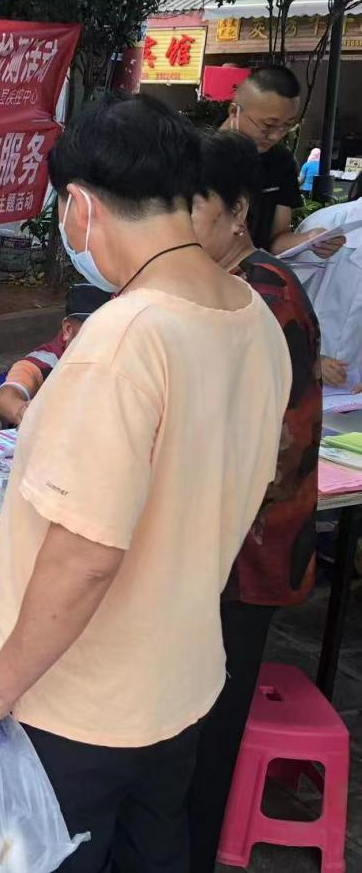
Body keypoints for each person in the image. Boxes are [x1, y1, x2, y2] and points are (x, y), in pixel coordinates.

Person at [0, 94, 291, 872]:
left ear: (80, 206)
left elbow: (87, 553)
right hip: (175, 686)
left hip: (73, 707)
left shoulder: (124, 338)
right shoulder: (252, 318)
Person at [185, 129, 322, 871]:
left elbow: (260, 449)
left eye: (192, 207)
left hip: (247, 554)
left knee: (207, 733)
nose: (175, 226)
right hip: (221, 547)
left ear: (237, 212)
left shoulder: (262, 298)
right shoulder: (219, 285)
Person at [221, 65, 344, 258]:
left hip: (252, 270)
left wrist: (311, 239)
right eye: (268, 125)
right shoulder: (195, 154)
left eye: (286, 126)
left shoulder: (280, 160)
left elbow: (277, 240)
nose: (275, 136)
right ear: (234, 112)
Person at [0, 284, 109, 427]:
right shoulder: (46, 361)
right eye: (96, 329)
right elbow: (4, 398)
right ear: (68, 329)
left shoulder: (121, 356)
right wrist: (21, 411)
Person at [292, 194, 362, 391]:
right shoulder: (324, 223)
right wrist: (309, 358)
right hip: (299, 376)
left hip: (353, 392)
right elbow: (279, 305)